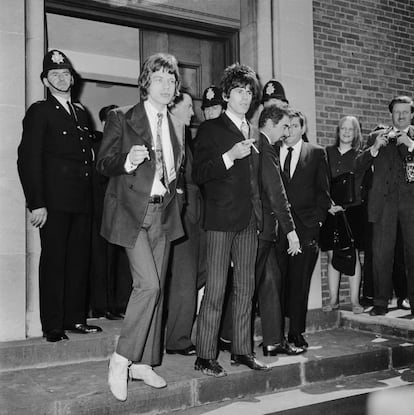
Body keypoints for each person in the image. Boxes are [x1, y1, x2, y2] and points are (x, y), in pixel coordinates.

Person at [97, 53, 185, 401]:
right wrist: (127, 161)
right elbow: (104, 162)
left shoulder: (175, 124)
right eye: (160, 78)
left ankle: (143, 362)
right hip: (131, 211)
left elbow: (177, 170)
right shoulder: (122, 118)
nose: (167, 85)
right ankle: (120, 359)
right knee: (147, 285)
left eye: (171, 80)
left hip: (163, 212)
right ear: (146, 82)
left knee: (158, 288)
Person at [17, 49, 102, 343]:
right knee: (54, 261)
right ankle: (53, 324)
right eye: (55, 74)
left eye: (66, 74)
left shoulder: (80, 112)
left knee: (79, 260)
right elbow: (28, 159)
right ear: (45, 80)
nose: (62, 78)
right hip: (54, 202)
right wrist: (36, 202)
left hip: (81, 201)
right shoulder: (40, 111)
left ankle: (75, 318)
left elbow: (87, 158)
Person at [192, 63, 267, 377]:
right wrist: (229, 157)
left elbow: (261, 180)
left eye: (249, 92)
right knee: (217, 288)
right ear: (226, 95)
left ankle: (242, 351)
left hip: (249, 220)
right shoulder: (210, 129)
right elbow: (199, 174)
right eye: (239, 91)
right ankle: (205, 355)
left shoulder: (255, 132)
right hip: (220, 219)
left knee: (246, 289)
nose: (245, 97)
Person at [276, 110, 330, 348]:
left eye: (295, 126)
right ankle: (274, 333)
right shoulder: (271, 150)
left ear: (303, 129)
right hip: (278, 228)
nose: (289, 131)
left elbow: (323, 193)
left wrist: (316, 223)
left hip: (306, 229)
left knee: (299, 282)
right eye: (286, 126)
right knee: (277, 280)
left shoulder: (316, 153)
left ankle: (295, 332)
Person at [355, 95, 414, 316]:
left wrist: (411, 145)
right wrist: (374, 150)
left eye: (405, 112)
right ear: (391, 113)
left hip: (411, 203)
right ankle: (380, 302)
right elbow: (357, 167)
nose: (401, 115)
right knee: (381, 253)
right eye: (397, 111)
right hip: (384, 204)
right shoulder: (376, 136)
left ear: (411, 114)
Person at [256, 105, 304, 357]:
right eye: (285, 126)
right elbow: (276, 194)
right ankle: (229, 339)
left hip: (264, 231)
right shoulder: (265, 148)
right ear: (271, 124)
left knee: (270, 281)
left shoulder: (263, 146)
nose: (287, 132)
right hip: (260, 230)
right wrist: (291, 231)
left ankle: (273, 340)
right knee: (245, 287)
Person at [165, 89, 206, 356]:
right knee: (184, 278)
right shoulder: (168, 134)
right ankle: (177, 340)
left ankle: (181, 333)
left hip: (195, 214)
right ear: (174, 107)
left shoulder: (184, 136)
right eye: (189, 106)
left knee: (198, 274)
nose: (193, 112)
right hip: (179, 216)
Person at [89, 104, 132, 321]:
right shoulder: (97, 145)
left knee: (119, 260)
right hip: (99, 210)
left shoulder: (124, 149)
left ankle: (117, 304)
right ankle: (100, 306)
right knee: (101, 259)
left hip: (120, 209)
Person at [320, 116, 365, 314]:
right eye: (343, 128)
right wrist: (328, 204)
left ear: (356, 133)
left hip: (351, 212)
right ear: (338, 131)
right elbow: (320, 182)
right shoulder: (326, 153)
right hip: (330, 211)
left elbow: (362, 187)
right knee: (333, 256)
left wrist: (346, 206)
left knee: (352, 255)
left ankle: (355, 301)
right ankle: (333, 299)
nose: (347, 132)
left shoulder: (359, 155)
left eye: (351, 129)